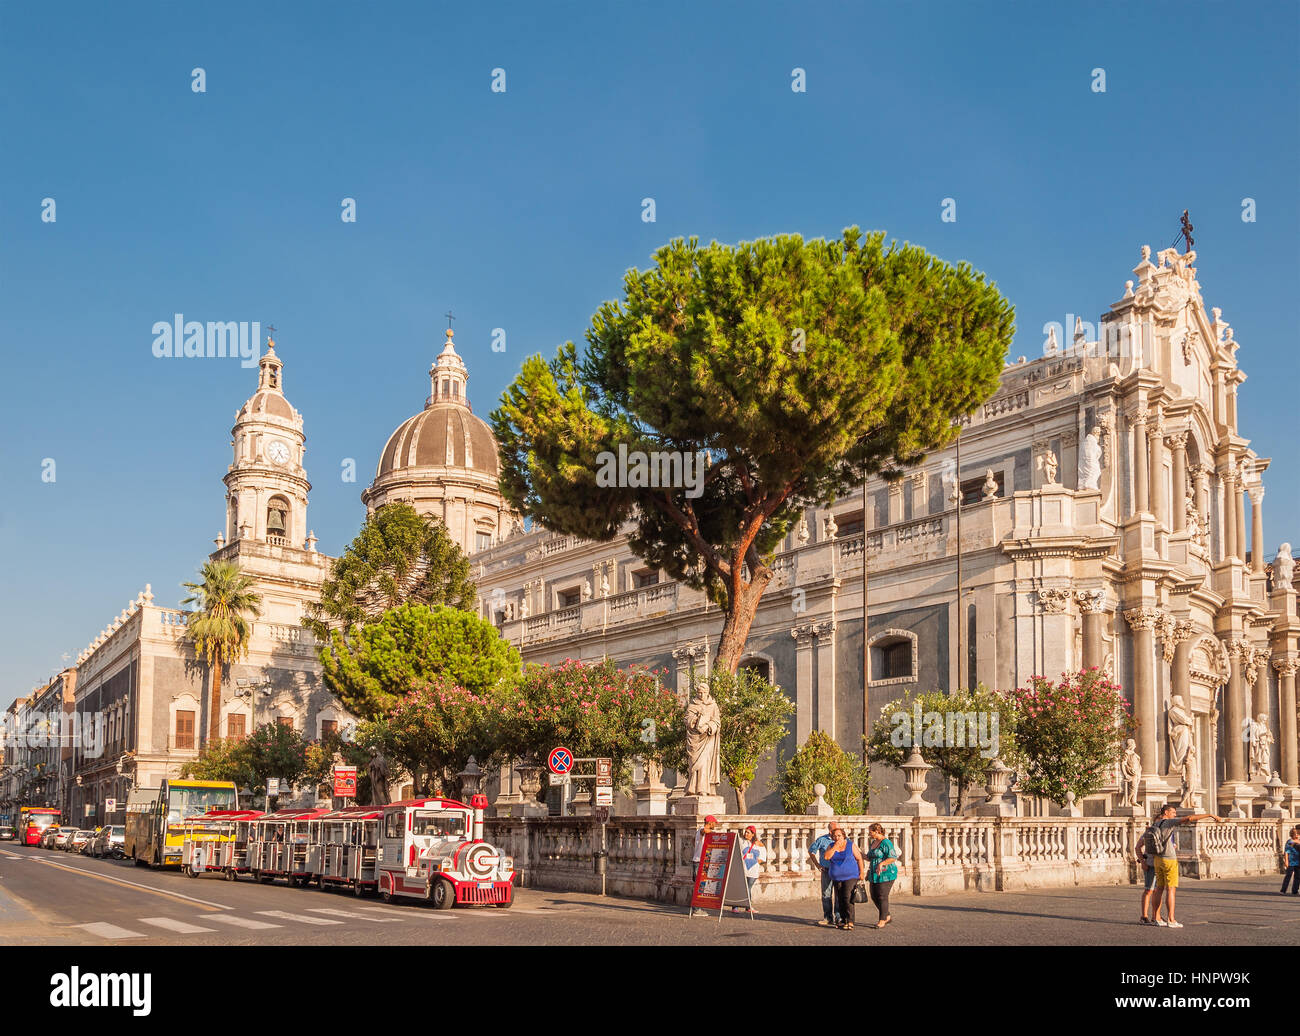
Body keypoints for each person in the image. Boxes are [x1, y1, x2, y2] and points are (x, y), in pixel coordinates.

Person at [1148, 803, 1222, 928]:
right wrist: (1209, 815)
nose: (1175, 815)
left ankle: (1156, 917)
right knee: (1171, 889)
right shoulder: (1168, 822)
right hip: (1169, 859)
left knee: (1159, 889)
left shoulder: (1156, 823)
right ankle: (1171, 919)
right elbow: (1188, 819)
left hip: (1157, 859)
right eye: (1173, 813)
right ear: (1166, 813)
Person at [822, 824, 865, 931]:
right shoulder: (831, 846)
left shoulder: (850, 845)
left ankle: (850, 921)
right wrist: (835, 847)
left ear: (843, 836)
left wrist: (862, 872)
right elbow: (827, 857)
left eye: (839, 835)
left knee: (847, 897)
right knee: (839, 899)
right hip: (836, 877)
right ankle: (843, 920)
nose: (837, 838)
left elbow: (859, 858)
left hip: (851, 876)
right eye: (835, 836)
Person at [864, 822, 898, 928]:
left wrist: (882, 863)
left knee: (882, 896)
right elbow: (870, 857)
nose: (869, 834)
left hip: (886, 873)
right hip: (874, 873)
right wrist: (860, 855)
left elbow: (892, 857)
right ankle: (886, 915)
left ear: (877, 831)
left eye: (870, 832)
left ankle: (882, 919)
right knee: (874, 896)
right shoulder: (873, 842)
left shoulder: (886, 842)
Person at [808, 823, 842, 927]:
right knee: (826, 894)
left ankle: (839, 916)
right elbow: (811, 851)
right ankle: (828, 917)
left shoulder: (842, 839)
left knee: (838, 894)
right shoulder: (822, 840)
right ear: (830, 831)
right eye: (834, 831)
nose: (836, 833)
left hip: (839, 870)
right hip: (827, 869)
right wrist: (817, 865)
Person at [1136, 820, 1165, 925]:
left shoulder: (1166, 832)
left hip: (1161, 864)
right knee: (1149, 890)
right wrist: (1143, 862)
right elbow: (1137, 847)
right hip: (1151, 864)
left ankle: (1156, 916)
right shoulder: (1149, 833)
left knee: (1158, 891)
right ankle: (1144, 916)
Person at [689, 816, 718, 917]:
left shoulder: (698, 833)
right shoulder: (701, 830)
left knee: (701, 886)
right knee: (699, 887)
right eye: (714, 823)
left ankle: (698, 908)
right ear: (710, 823)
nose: (715, 825)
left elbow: (693, 841)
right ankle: (696, 909)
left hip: (700, 861)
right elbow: (704, 830)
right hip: (698, 862)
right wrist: (715, 834)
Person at [737, 825, 766, 914]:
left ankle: (748, 907)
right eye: (745, 832)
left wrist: (755, 860)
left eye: (748, 832)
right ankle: (736, 906)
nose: (746, 834)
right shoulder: (741, 841)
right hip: (742, 869)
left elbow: (763, 857)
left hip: (753, 870)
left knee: (748, 888)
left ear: (753, 834)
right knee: (740, 888)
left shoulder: (758, 844)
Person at [1281, 827, 1300, 896]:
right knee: (1288, 876)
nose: (1298, 835)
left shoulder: (1299, 841)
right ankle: (1283, 890)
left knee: (1298, 877)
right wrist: (1286, 861)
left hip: (1298, 861)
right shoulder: (1290, 842)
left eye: (1298, 834)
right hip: (1291, 861)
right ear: (1293, 834)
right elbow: (1286, 852)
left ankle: (1295, 890)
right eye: (1296, 834)